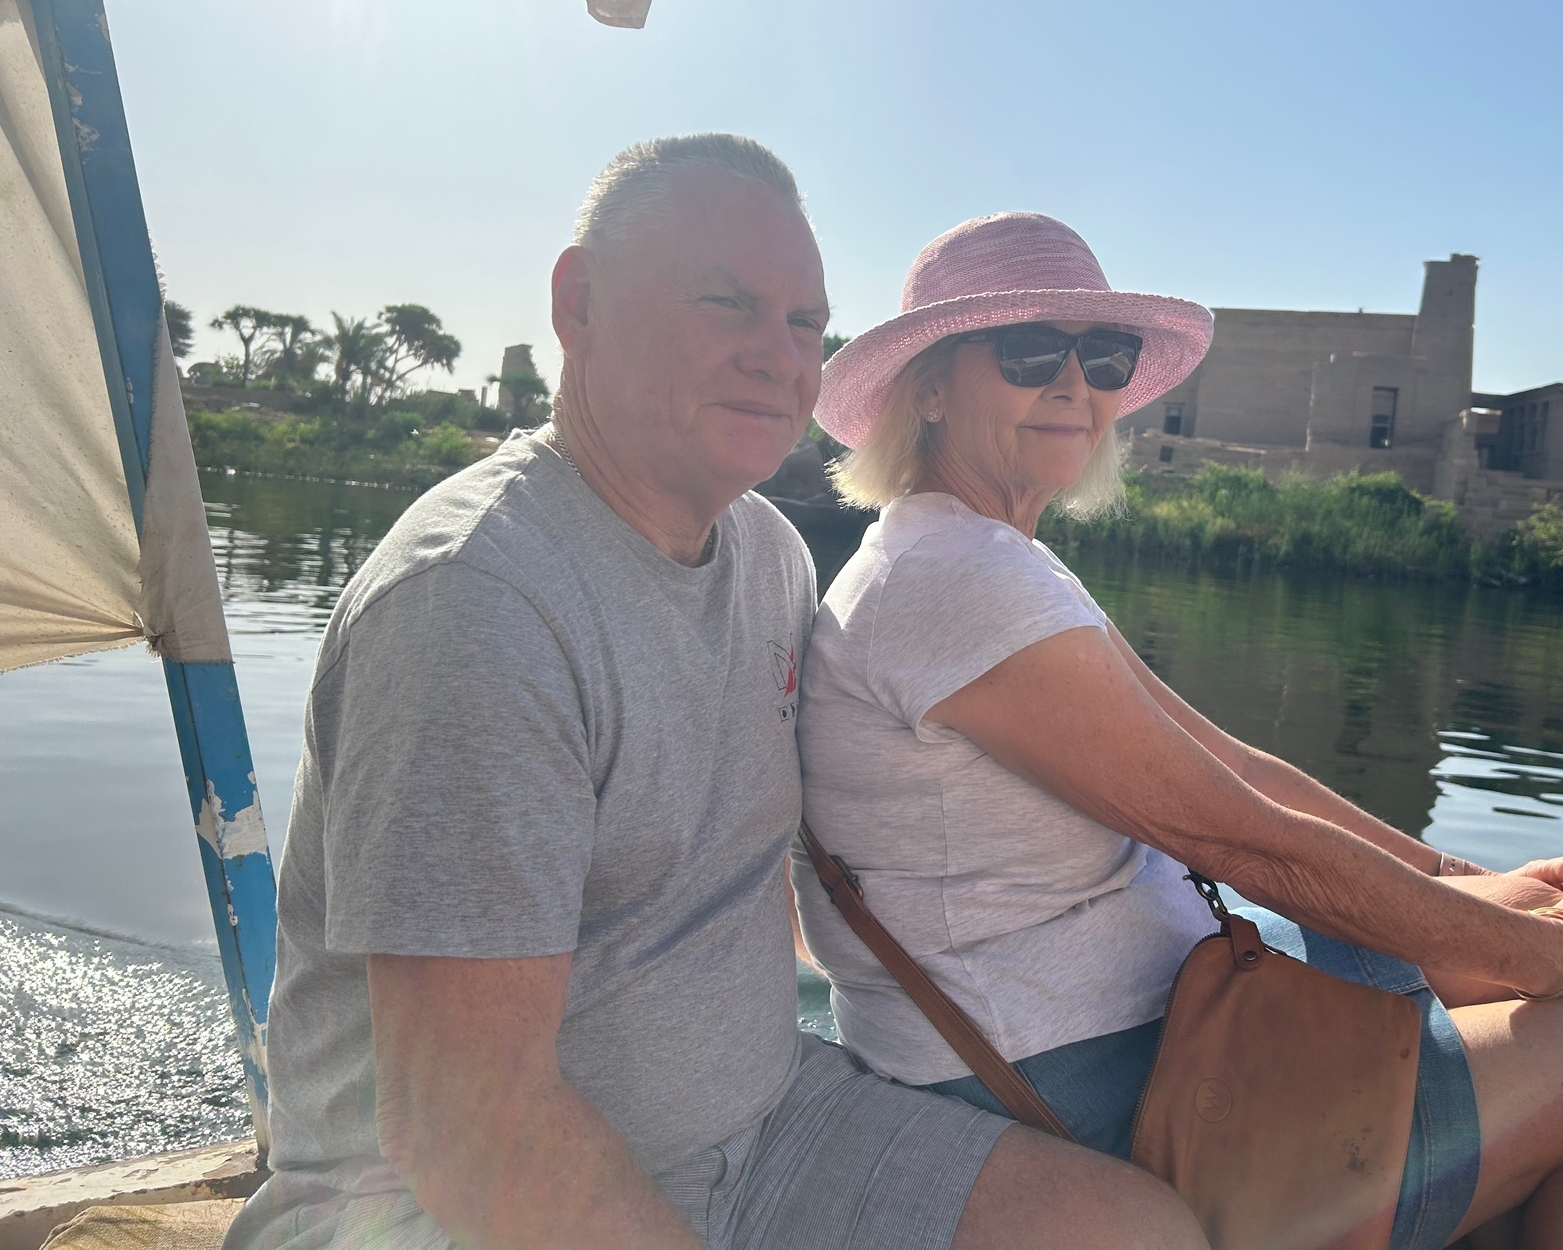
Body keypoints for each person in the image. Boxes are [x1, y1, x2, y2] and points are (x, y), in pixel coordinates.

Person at [224, 142, 1209, 1250]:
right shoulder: (476, 604)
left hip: (772, 1122)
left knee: (1145, 1233)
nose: (776, 358)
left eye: (804, 323)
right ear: (579, 305)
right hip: (429, 1215)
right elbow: (469, 1131)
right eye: (725, 303)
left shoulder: (770, 555)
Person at [795, 211, 1563, 1250]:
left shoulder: (987, 558)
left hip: (1146, 1016)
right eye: (1031, 351)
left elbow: (1233, 764)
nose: (1076, 385)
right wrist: (1555, 953)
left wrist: (1463, 878)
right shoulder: (957, 578)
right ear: (931, 389)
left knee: (1482, 941)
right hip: (1077, 1082)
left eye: (1105, 356)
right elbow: (1239, 840)